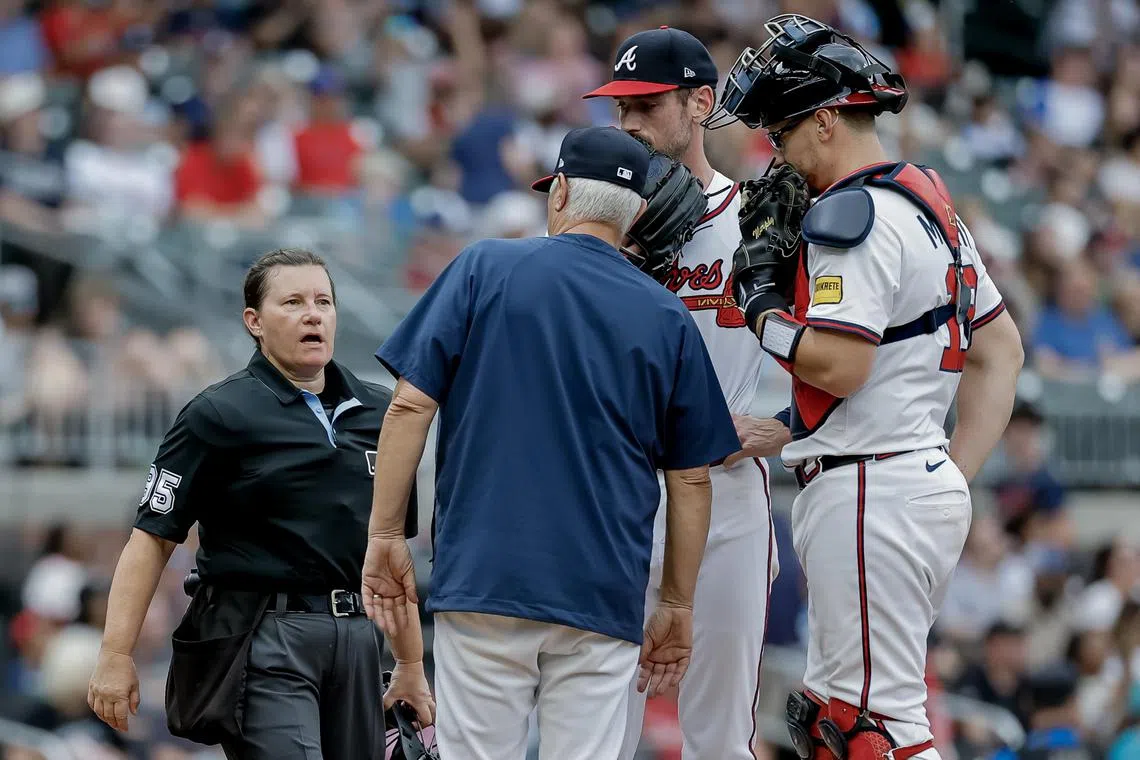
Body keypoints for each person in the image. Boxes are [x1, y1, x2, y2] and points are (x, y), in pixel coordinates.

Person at [362, 125, 740, 760]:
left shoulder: (485, 265)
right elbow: (692, 479)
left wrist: (384, 535)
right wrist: (675, 601)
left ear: (559, 192)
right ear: (639, 213)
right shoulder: (666, 314)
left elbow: (408, 404)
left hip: (486, 575)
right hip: (603, 591)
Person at [714, 14, 1024, 760]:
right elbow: (1000, 351)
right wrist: (948, 472)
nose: (774, 152)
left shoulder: (851, 213)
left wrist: (760, 309)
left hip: (871, 493)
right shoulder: (930, 205)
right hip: (905, 481)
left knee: (867, 733)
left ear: (825, 121)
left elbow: (843, 364)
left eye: (781, 132)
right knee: (841, 720)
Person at [86, 248, 434, 760]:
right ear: (254, 321)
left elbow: (391, 562)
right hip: (265, 637)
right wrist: (116, 653)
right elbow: (152, 539)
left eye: (323, 301)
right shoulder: (218, 414)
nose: (313, 313)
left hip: (361, 638)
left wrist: (409, 665)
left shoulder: (383, 413)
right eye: (292, 302)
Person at [582, 26, 786, 760]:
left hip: (725, 490)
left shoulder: (762, 215)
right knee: (595, 727)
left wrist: (787, 424)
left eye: (647, 104)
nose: (630, 122)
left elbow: (862, 353)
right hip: (618, 490)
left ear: (702, 103)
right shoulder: (596, 224)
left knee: (721, 734)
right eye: (621, 107)